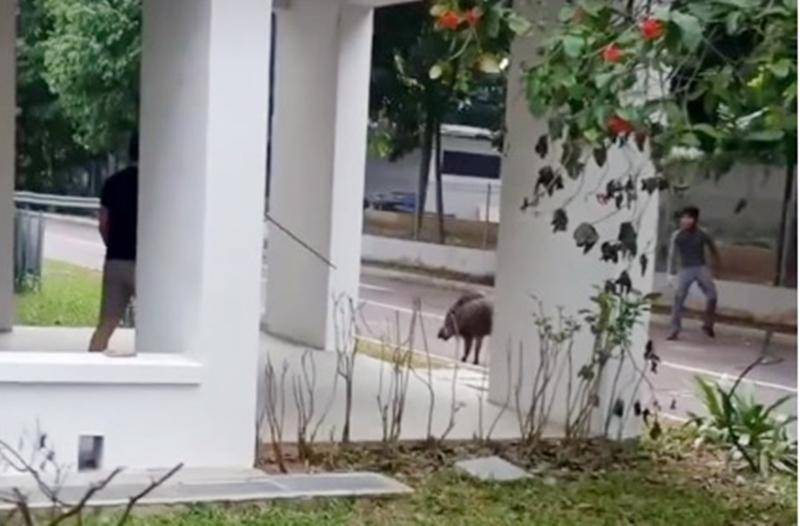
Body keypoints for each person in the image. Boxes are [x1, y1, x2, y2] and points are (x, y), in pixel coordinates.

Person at [89, 133, 138, 353]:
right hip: (146, 265)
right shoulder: (158, 186)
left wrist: (113, 245)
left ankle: (88, 370)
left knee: (106, 324)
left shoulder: (112, 183)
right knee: (157, 324)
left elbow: (103, 223)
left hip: (115, 261)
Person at [666, 206, 720, 341]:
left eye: (689, 217)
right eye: (683, 217)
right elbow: (672, 255)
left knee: (712, 296)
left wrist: (715, 265)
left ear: (695, 220)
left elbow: (713, 248)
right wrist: (671, 273)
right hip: (685, 269)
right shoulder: (677, 235)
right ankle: (674, 330)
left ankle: (708, 325)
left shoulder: (702, 233)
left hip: (700, 267)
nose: (685, 220)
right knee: (679, 298)